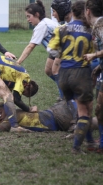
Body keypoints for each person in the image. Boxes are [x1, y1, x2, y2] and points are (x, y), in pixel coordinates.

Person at [47, 1, 95, 154]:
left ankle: (90, 141)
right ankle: (76, 147)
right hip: (80, 73)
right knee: (85, 111)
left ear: (72, 13)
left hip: (63, 75)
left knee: (83, 110)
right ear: (86, 12)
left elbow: (51, 49)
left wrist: (64, 53)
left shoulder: (62, 29)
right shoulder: (90, 30)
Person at [16, 0, 63, 102]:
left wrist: (18, 63)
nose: (28, 19)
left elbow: (30, 46)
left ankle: (64, 95)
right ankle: (64, 87)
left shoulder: (42, 25)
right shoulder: (44, 22)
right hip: (56, 50)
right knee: (48, 70)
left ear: (36, 14)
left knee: (55, 72)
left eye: (29, 16)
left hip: (62, 50)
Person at [0, 100, 98, 134]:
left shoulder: (13, 116)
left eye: (0, 111)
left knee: (76, 107)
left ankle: (76, 122)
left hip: (57, 115)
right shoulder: (8, 119)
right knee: (91, 121)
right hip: (57, 118)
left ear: (8, 109)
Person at [83, 0, 103, 154]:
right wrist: (98, 68)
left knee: (99, 109)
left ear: (88, 11)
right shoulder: (97, 26)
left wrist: (93, 55)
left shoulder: (100, 25)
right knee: (99, 109)